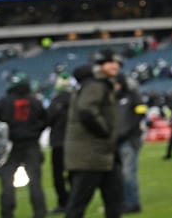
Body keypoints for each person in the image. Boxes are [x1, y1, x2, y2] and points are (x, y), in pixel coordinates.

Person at [64, 51, 123, 218]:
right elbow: (86, 111)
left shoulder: (100, 83)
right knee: (78, 204)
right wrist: (105, 132)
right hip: (90, 155)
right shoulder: (96, 84)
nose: (115, 65)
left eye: (116, 62)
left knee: (114, 201)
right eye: (110, 62)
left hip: (103, 154)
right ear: (100, 66)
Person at [0, 75, 48, 218]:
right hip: (31, 144)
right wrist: (35, 132)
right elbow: (45, 119)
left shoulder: (4, 102)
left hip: (10, 146)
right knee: (35, 182)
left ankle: (7, 214)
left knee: (7, 184)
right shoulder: (35, 101)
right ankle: (40, 213)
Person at [115, 73, 147, 214]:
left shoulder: (132, 95)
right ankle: (124, 201)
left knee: (127, 172)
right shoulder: (113, 97)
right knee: (120, 174)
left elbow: (141, 111)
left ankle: (132, 203)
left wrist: (128, 130)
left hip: (130, 139)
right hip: (117, 140)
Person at [47, 74, 75, 213]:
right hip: (74, 141)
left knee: (58, 175)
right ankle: (75, 201)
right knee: (73, 173)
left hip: (58, 142)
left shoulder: (56, 101)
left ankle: (63, 202)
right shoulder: (76, 99)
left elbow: (48, 119)